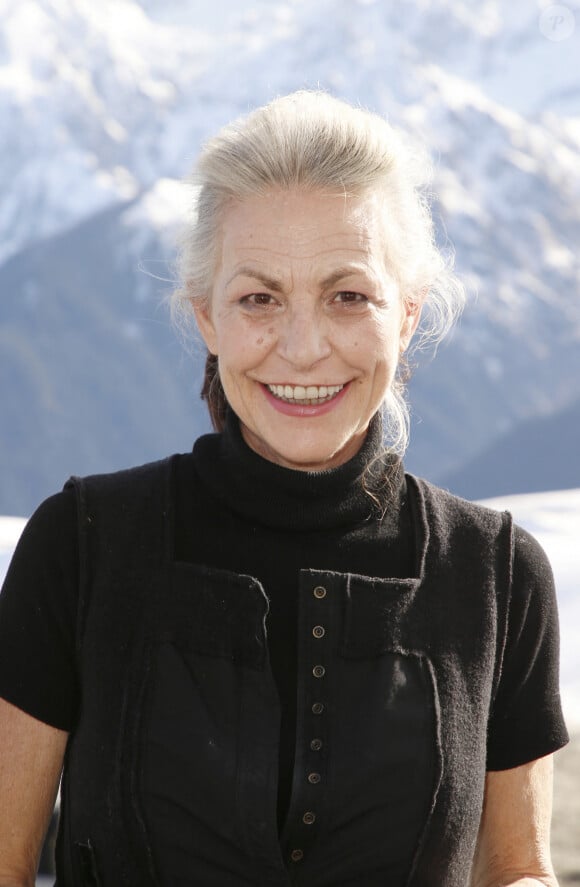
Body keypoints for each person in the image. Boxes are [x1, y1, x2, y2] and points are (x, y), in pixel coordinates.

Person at [0, 90, 569, 887]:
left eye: (348, 296)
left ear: (406, 315)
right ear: (206, 316)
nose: (302, 349)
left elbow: (518, 870)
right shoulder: (82, 546)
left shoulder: (499, 576)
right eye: (259, 298)